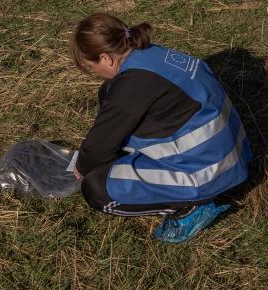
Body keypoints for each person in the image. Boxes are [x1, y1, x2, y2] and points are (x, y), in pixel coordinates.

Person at [70, 13, 251, 243]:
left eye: (91, 66)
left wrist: (83, 166)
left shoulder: (131, 87)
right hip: (233, 150)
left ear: (106, 58)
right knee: (108, 92)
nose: (93, 73)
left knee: (96, 188)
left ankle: (190, 209)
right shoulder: (148, 53)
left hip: (209, 171)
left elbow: (96, 149)